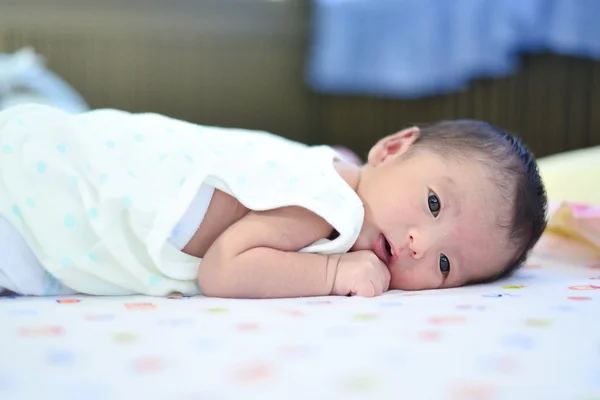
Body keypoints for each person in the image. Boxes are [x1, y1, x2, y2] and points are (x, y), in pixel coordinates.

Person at [0, 104, 547, 298]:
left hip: (55, 153)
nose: (418, 245)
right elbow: (224, 269)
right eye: (433, 204)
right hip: (41, 205)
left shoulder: (329, 166)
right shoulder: (334, 208)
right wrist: (333, 277)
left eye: (447, 265)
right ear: (393, 147)